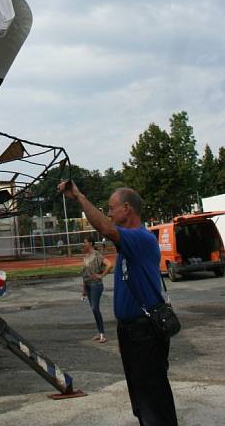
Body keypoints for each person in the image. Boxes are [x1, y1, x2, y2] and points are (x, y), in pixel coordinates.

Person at [58, 182, 178, 426]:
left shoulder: (141, 238)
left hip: (144, 331)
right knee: (141, 397)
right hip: (131, 331)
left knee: (152, 397)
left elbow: (105, 227)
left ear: (127, 208)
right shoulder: (129, 242)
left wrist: (80, 196)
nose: (109, 213)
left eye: (112, 208)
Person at [81, 236, 112, 343]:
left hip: (96, 285)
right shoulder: (85, 257)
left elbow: (109, 264)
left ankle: (103, 334)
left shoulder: (96, 255)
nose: (83, 244)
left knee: (95, 308)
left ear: (90, 243)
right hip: (88, 286)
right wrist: (84, 289)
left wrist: (101, 275)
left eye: (85, 242)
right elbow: (84, 274)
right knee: (94, 309)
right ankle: (100, 332)